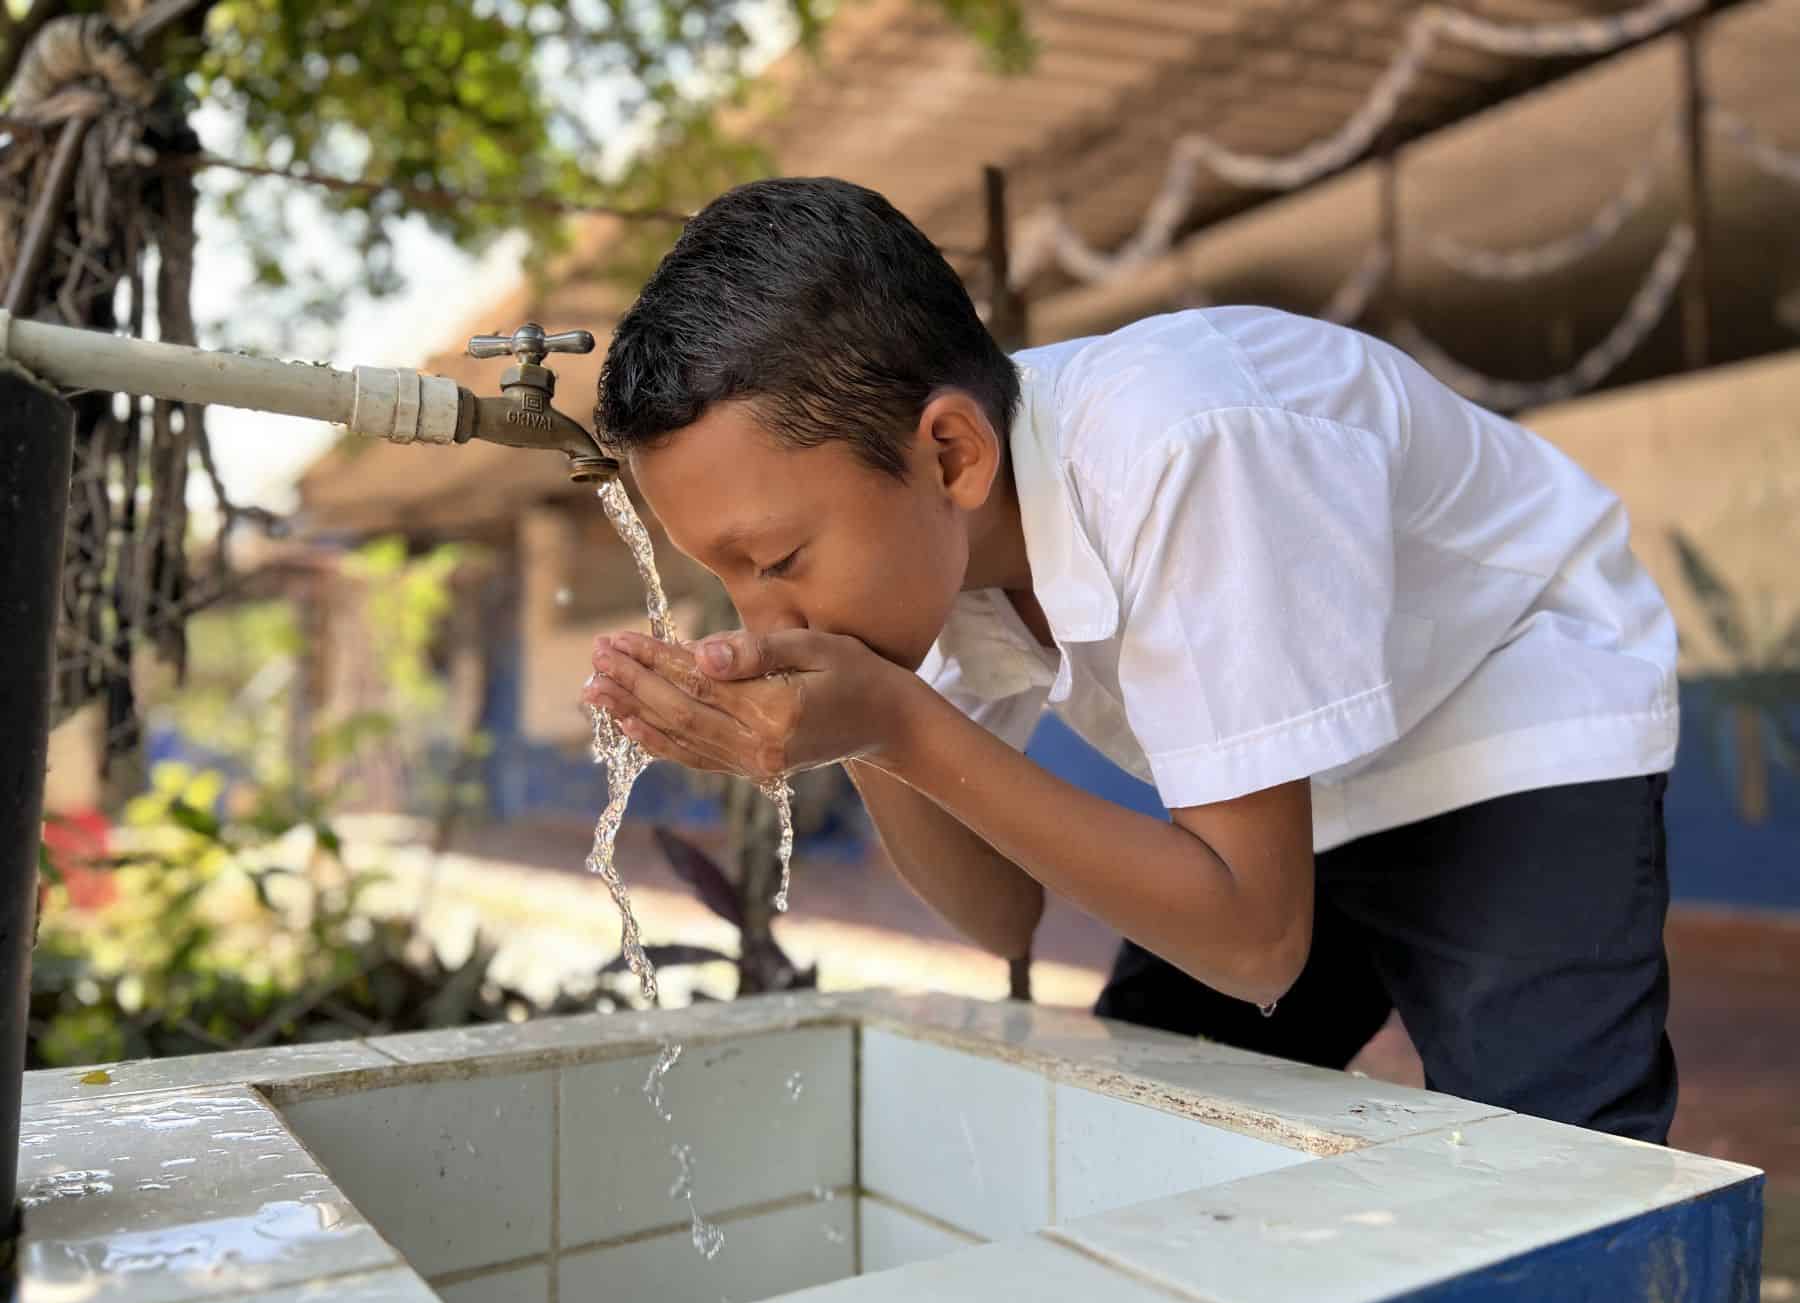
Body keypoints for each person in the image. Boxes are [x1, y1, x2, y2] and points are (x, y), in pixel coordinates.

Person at [581, 177, 1680, 1144]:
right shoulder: (926, 553)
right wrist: (859, 725)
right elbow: (1003, 913)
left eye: (775, 558)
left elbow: (1255, 942)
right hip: (1284, 802)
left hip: (1502, 714)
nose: (758, 614)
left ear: (951, 454)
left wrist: (900, 720)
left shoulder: (1184, 446)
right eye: (726, 576)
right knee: (1136, 1123)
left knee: (1554, 1172)